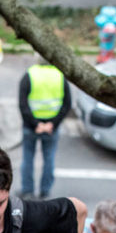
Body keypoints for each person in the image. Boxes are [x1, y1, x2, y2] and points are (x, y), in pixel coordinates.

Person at [18, 61, 72, 200]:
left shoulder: (29, 75)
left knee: (28, 158)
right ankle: (45, 192)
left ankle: (27, 191)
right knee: (49, 159)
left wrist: (36, 124)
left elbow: (22, 104)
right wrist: (52, 124)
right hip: (51, 128)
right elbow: (67, 104)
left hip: (31, 127)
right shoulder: (60, 76)